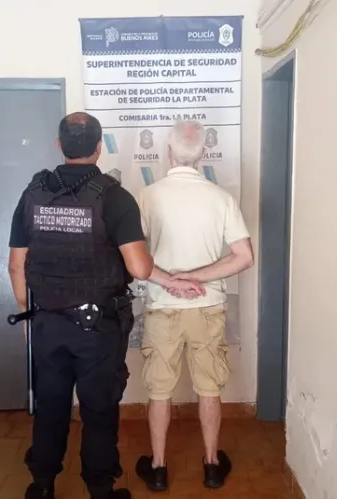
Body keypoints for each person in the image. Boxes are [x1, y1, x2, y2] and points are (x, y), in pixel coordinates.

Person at [7, 112, 198, 499]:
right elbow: (139, 268)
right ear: (98, 147)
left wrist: (30, 314)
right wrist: (170, 278)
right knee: (98, 408)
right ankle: (99, 489)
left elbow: (15, 265)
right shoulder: (114, 197)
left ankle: (41, 485)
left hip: (47, 323)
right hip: (97, 328)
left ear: (59, 145)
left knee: (51, 403)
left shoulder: (33, 194)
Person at [133, 120, 254, 491]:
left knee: (158, 391)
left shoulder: (147, 196)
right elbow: (244, 257)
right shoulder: (221, 198)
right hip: (208, 306)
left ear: (168, 151)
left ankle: (157, 468)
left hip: (162, 306)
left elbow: (132, 258)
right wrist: (197, 278)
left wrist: (174, 280)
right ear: (203, 153)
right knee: (209, 389)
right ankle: (212, 465)